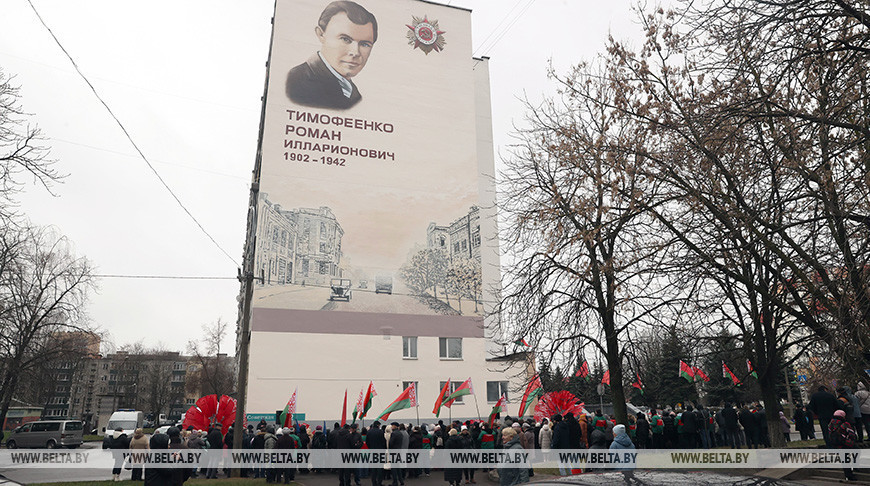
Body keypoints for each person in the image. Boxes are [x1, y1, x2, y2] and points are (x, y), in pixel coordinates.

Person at [286, 1, 377, 110]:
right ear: (321, 35)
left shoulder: (352, 92)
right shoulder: (297, 82)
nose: (355, 52)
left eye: (365, 44)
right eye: (345, 39)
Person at [829, 409, 858, 482]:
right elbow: (852, 434)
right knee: (857, 451)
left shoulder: (831, 424)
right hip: (846, 443)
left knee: (845, 460)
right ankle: (855, 466)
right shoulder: (845, 424)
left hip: (838, 445)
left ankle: (848, 475)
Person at [366, 421, 386, 486]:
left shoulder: (369, 432)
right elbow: (384, 442)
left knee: (373, 469)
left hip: (372, 451)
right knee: (380, 468)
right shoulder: (381, 432)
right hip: (380, 451)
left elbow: (367, 442)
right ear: (378, 425)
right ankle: (379, 482)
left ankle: (374, 482)